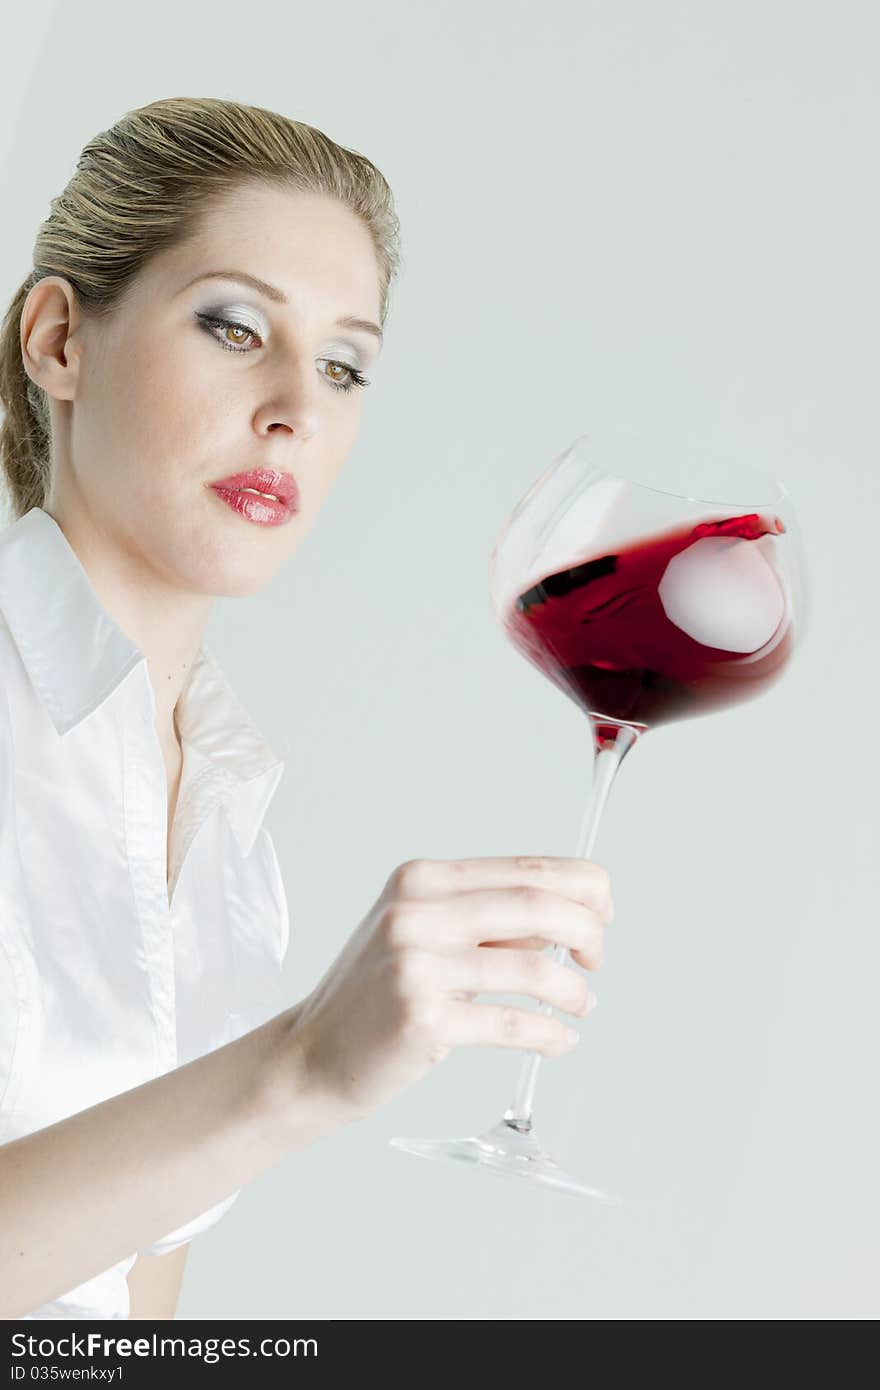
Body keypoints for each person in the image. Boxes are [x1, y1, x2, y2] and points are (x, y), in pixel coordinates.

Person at [0, 96, 613, 1321]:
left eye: (343, 364)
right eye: (234, 327)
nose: (298, 405)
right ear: (61, 339)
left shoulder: (230, 822)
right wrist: (293, 1073)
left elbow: (126, 1298)